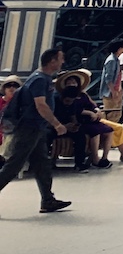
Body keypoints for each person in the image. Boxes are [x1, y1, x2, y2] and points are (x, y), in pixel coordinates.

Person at [0, 48, 72, 213]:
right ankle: (48, 199)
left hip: (36, 128)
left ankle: (48, 200)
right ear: (52, 61)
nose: (62, 62)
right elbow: (41, 105)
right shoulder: (39, 80)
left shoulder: (42, 78)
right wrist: (57, 124)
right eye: (60, 59)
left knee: (42, 164)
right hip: (29, 128)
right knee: (14, 165)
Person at [53, 69, 115, 171]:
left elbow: (76, 112)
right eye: (70, 82)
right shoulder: (56, 98)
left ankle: (97, 159)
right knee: (93, 132)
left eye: (74, 82)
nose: (72, 84)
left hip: (79, 123)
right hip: (58, 124)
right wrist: (63, 125)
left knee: (107, 130)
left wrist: (75, 124)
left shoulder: (82, 95)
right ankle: (94, 158)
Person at [101, 39, 123, 117]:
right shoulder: (111, 60)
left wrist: (120, 89)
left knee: (117, 114)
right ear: (119, 48)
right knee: (111, 114)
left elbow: (117, 76)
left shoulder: (116, 60)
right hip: (110, 93)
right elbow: (108, 78)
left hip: (116, 91)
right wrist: (113, 92)